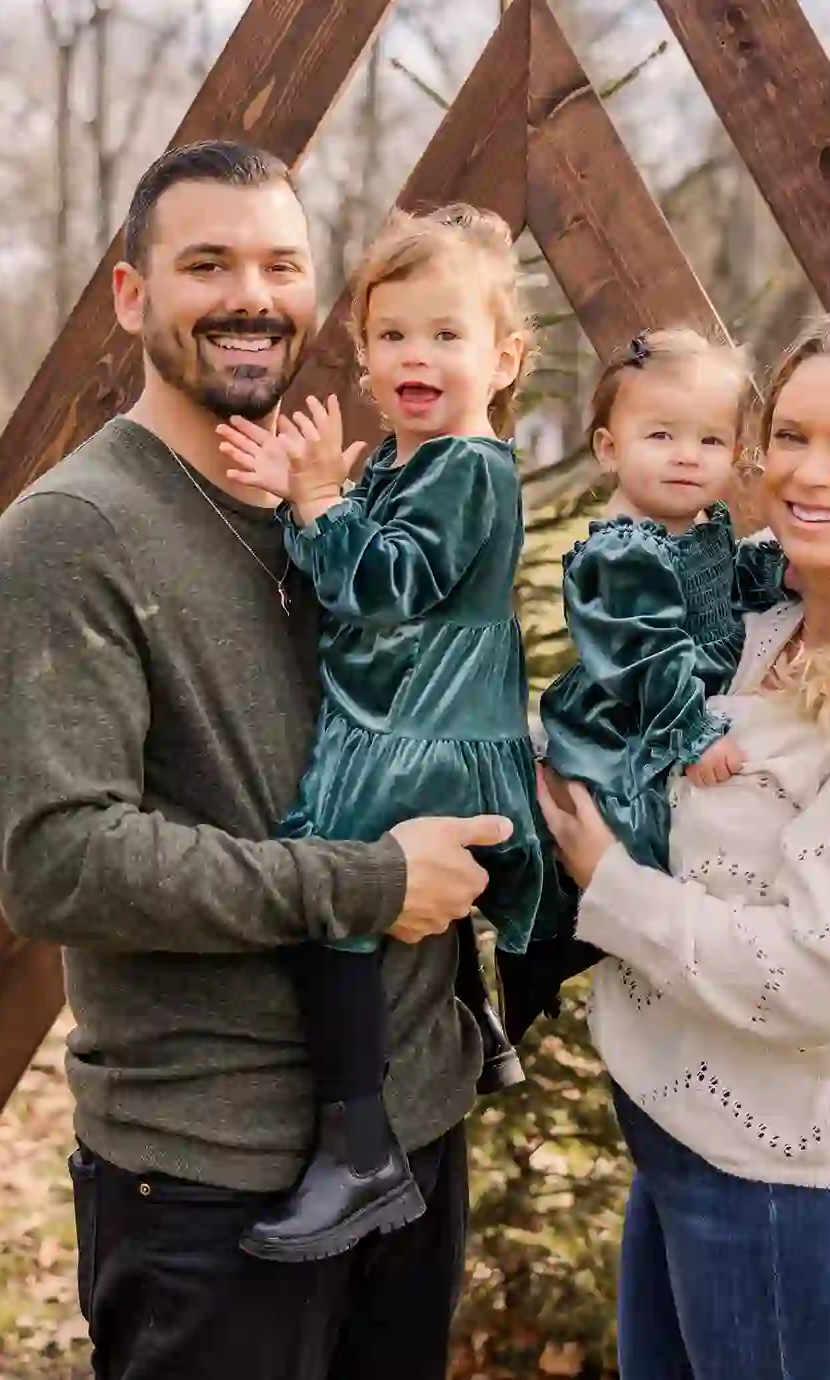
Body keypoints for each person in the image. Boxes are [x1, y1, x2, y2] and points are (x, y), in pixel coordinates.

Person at [0, 141, 501, 1380]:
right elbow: (57, 861)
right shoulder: (74, 537)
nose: (251, 295)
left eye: (281, 264)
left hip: (412, 1136)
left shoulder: (345, 511)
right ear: (133, 297)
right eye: (207, 263)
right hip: (215, 1177)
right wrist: (365, 883)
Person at [536, 308, 830, 1380]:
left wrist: (604, 882)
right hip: (685, 1137)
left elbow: (824, 979)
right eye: (792, 435)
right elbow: (626, 696)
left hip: (800, 1191)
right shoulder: (760, 597)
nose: (808, 473)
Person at [215, 203, 550, 1262]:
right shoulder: (420, 462)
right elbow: (344, 569)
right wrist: (305, 500)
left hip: (424, 728)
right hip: (412, 715)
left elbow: (385, 586)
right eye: (393, 334)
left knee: (336, 884)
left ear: (504, 358)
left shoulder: (467, 466)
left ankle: (360, 1149)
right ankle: (476, 1026)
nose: (418, 355)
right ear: (362, 358)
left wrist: (320, 500)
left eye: (446, 335)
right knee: (370, 882)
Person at [500, 326, 790, 1042]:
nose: (687, 456)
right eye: (661, 435)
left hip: (658, 725)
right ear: (609, 448)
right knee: (615, 852)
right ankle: (529, 969)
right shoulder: (621, 553)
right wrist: (690, 733)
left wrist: (784, 573)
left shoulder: (702, 528)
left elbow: (730, 584)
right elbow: (643, 656)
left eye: (710, 441)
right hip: (621, 730)